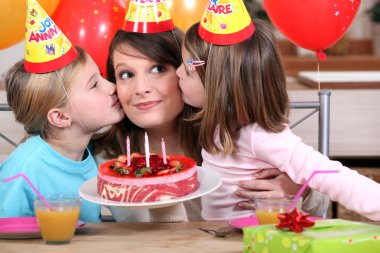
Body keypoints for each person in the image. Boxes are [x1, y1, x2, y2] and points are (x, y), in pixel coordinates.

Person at [94, 0, 328, 222]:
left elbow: (321, 204)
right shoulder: (109, 158)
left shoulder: (232, 136)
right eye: (126, 75)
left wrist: (299, 189)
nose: (141, 89)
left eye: (157, 69)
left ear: (188, 73)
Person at [176, 13, 380, 220]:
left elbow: (330, 175)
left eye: (187, 69)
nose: (178, 72)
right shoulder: (218, 125)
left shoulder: (259, 135)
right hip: (218, 238)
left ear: (220, 84)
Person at [0, 0, 124, 222]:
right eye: (95, 84)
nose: (112, 87)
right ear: (60, 117)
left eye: (102, 78)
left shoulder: (90, 156)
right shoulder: (23, 171)